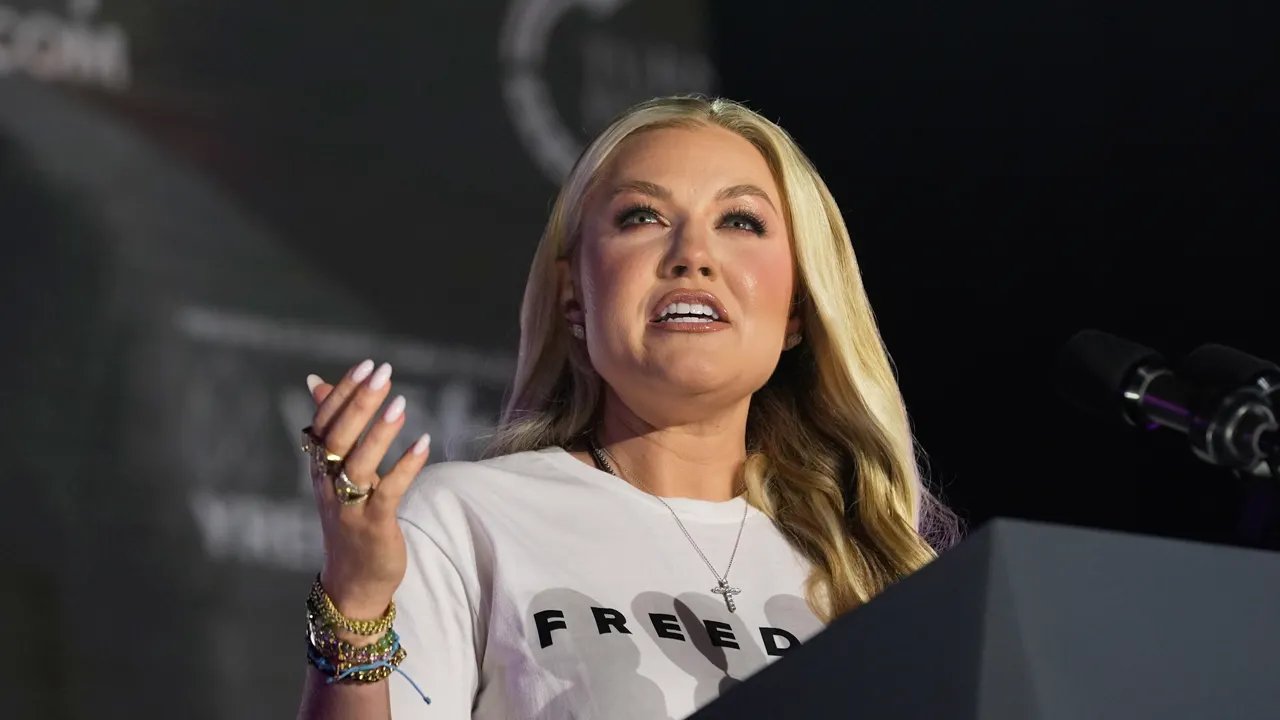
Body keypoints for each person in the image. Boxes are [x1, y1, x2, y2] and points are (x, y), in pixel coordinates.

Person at [295, 95, 959, 720]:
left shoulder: (876, 580)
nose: (692, 256)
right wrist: (356, 605)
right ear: (573, 294)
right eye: (643, 217)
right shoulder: (467, 519)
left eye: (741, 222)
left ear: (797, 309)